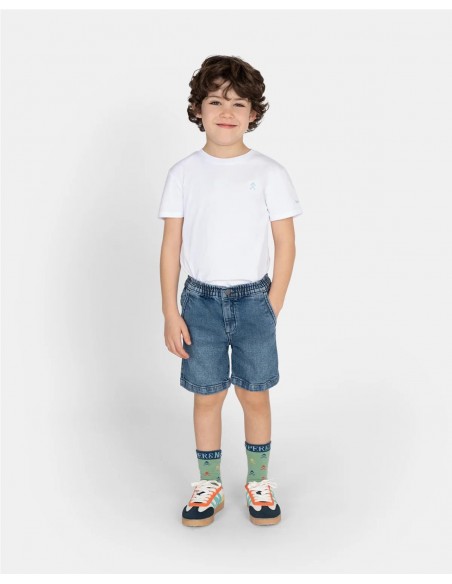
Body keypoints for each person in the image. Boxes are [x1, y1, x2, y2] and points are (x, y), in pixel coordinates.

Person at [158, 55, 303, 527]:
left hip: (254, 301)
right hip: (198, 303)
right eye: (216, 101)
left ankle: (258, 481)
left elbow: (285, 243)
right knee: (207, 396)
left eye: (238, 103)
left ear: (253, 113)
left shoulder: (270, 171)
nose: (226, 111)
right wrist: (170, 312)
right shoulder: (183, 173)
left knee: (254, 394)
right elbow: (171, 245)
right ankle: (210, 485)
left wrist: (272, 304)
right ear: (197, 109)